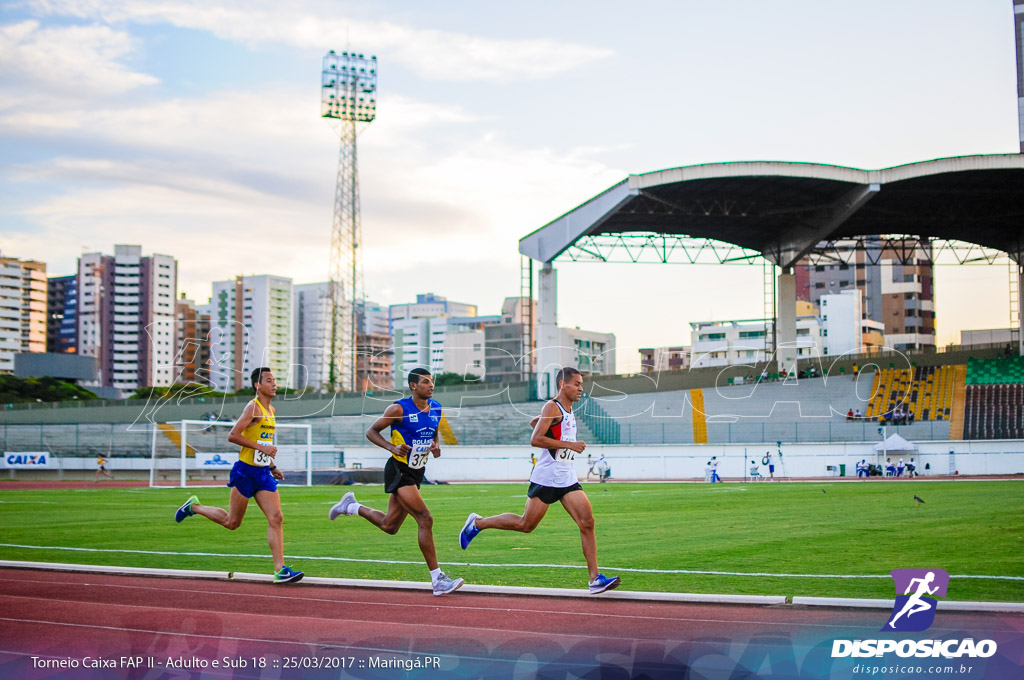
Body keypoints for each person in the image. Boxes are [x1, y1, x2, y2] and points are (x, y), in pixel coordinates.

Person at [458, 367, 620, 594]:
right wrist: (570, 445)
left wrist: (549, 429)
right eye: (577, 384)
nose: (581, 388)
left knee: (587, 522)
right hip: (546, 477)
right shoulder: (551, 406)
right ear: (563, 385)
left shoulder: (568, 410)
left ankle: (594, 578)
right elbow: (536, 439)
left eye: (582, 384)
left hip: (566, 477)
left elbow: (539, 424)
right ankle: (477, 523)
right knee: (526, 525)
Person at [328, 367, 463, 597]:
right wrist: (391, 447)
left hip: (417, 471)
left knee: (390, 526)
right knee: (425, 518)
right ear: (413, 386)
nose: (431, 385)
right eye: (425, 382)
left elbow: (433, 432)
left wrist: (436, 445)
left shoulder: (437, 408)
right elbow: (371, 432)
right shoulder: (398, 408)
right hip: (399, 470)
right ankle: (437, 579)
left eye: (432, 382)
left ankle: (350, 506)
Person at [174, 367, 303, 584]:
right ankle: (194, 507)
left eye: (275, 380)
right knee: (232, 522)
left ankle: (280, 569)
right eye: (269, 381)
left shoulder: (271, 411)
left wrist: (271, 466)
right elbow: (232, 436)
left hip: (262, 473)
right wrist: (263, 451)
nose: (274, 384)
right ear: (257, 385)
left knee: (276, 517)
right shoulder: (253, 407)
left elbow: (262, 443)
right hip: (245, 472)